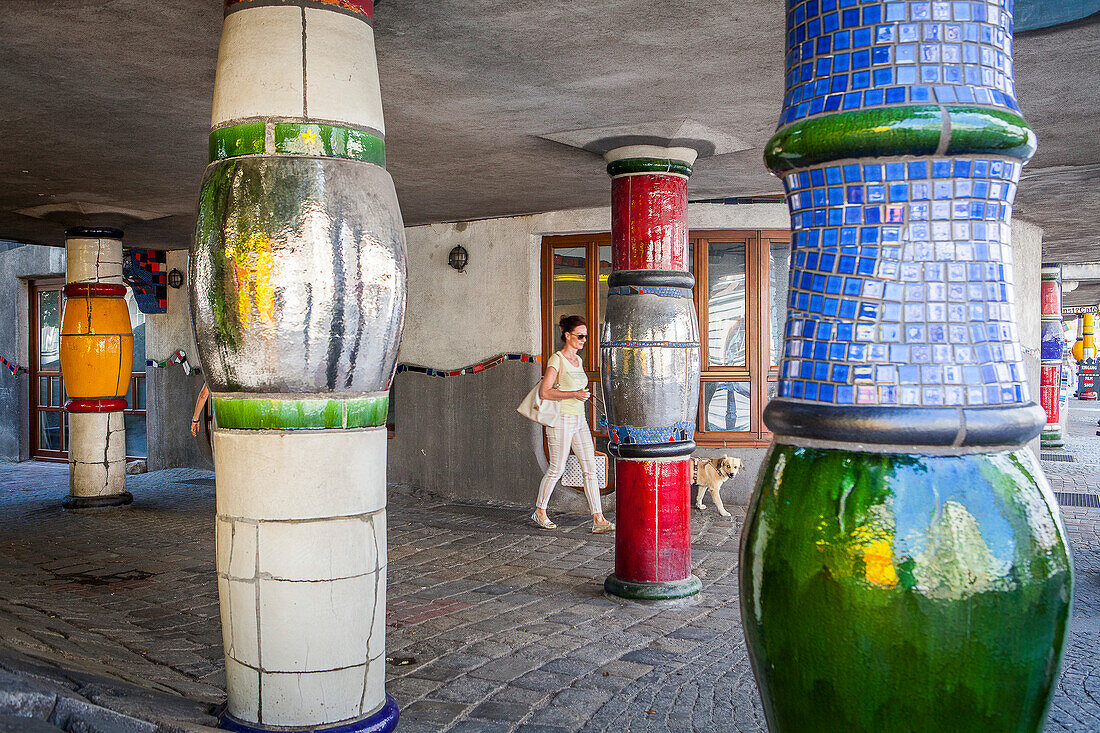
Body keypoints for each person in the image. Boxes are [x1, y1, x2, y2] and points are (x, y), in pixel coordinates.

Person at [532, 315, 615, 533]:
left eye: (586, 336)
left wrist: (581, 395)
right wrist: (574, 394)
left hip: (579, 420)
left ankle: (598, 519)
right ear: (567, 336)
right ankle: (540, 511)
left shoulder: (578, 361)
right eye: (580, 335)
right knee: (557, 468)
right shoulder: (556, 359)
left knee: (590, 468)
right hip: (561, 420)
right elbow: (545, 392)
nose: (584, 339)